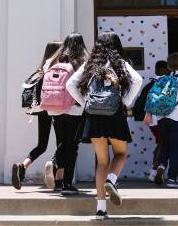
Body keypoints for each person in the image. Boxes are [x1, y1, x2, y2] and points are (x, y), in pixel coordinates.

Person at [66, 32, 143, 220]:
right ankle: (111, 180)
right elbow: (138, 80)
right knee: (120, 153)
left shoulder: (90, 64)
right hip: (114, 114)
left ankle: (101, 208)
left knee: (102, 162)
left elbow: (70, 84)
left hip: (93, 116)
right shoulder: (121, 63)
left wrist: (85, 103)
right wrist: (125, 101)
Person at [11, 41, 62, 190]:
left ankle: (23, 166)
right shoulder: (58, 69)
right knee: (62, 142)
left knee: (41, 145)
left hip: (41, 109)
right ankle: (54, 169)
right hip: (56, 109)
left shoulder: (41, 70)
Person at [42, 33, 89, 196]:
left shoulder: (52, 61)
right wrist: (83, 103)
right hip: (74, 109)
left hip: (55, 108)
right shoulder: (82, 61)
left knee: (62, 142)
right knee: (72, 145)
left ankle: (56, 171)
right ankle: (67, 184)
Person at [145, 52, 178, 189]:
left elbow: (151, 97)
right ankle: (172, 178)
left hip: (161, 118)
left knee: (164, 145)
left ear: (168, 67)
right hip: (177, 119)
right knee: (176, 148)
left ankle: (161, 166)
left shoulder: (162, 79)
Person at [132, 60, 169, 182]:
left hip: (150, 120)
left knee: (161, 143)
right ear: (165, 70)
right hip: (160, 120)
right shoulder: (165, 84)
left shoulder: (149, 85)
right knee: (162, 144)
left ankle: (156, 171)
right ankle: (154, 171)